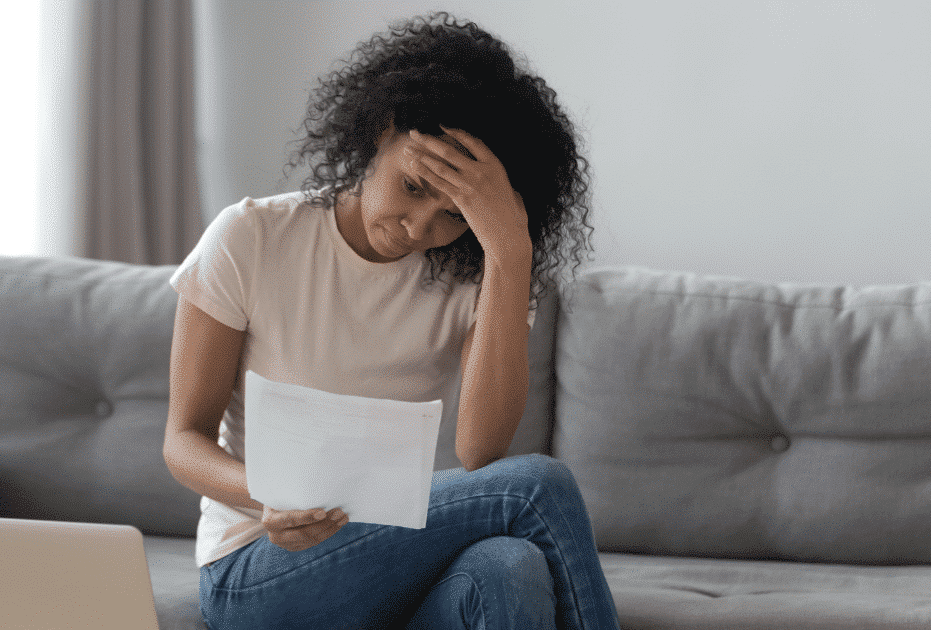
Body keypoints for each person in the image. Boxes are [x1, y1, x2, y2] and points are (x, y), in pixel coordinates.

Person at [163, 12, 620, 630]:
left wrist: (509, 248)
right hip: (260, 567)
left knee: (509, 566)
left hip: (397, 563)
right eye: (412, 186)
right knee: (536, 487)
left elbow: (481, 449)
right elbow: (182, 440)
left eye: (455, 216)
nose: (419, 227)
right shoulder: (253, 237)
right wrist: (266, 497)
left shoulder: (479, 274)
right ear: (380, 131)